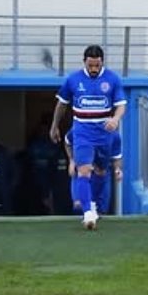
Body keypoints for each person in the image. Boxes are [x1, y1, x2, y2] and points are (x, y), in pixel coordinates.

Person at [49, 45, 126, 229]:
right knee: (84, 170)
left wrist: (115, 119)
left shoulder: (112, 79)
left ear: (102, 63)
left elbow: (121, 104)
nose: (93, 69)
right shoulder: (73, 79)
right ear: (84, 62)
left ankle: (94, 205)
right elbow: (62, 104)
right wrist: (55, 126)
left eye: (97, 65)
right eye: (90, 65)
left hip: (104, 132)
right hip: (82, 131)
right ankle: (87, 212)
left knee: (100, 171)